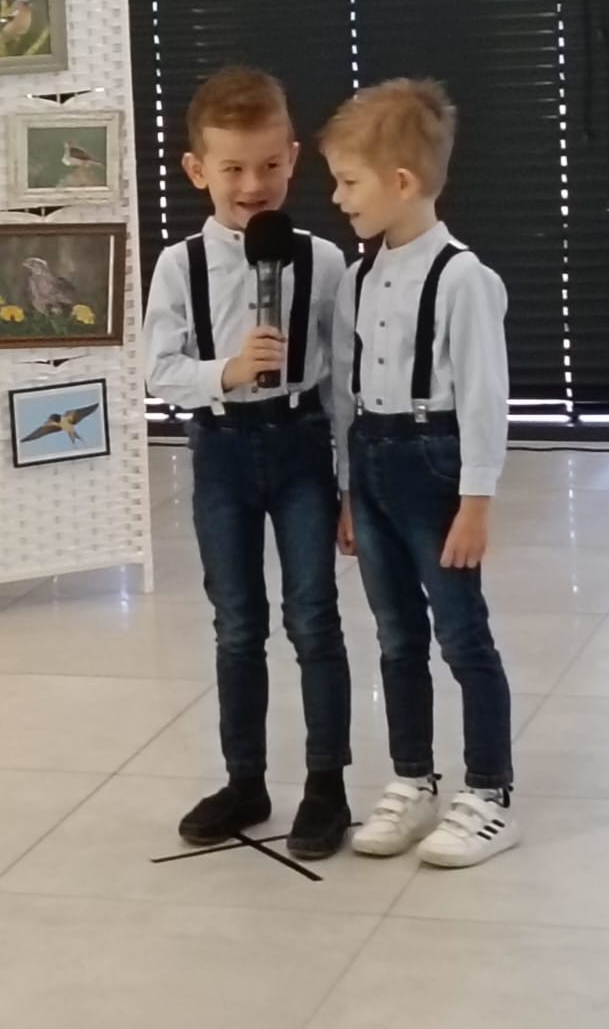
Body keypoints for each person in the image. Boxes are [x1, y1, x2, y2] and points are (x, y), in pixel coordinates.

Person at [144, 66, 352, 860]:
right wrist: (225, 372)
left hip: (300, 445)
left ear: (293, 158)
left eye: (269, 164)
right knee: (237, 623)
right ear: (198, 170)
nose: (253, 185)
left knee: (314, 617)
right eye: (232, 167)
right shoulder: (180, 266)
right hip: (223, 449)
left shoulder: (323, 262)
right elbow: (159, 370)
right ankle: (245, 780)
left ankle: (326, 784)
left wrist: (350, 485)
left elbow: (342, 383)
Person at [321, 77, 518, 868]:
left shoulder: (464, 278)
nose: (337, 198)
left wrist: (476, 501)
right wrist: (347, 487)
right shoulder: (359, 277)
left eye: (348, 182)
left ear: (401, 182)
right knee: (397, 635)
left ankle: (490, 793)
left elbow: (485, 396)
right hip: (371, 463)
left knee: (462, 635)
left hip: (434, 466)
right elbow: (345, 390)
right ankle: (413, 778)